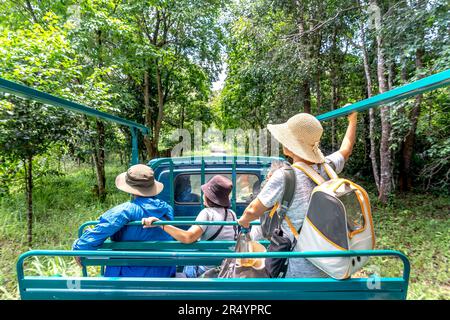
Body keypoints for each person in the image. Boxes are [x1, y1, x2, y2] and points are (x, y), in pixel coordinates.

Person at [237, 112, 358, 278]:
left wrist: (243, 220)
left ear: (293, 146)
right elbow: (346, 149)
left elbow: (253, 210)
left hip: (300, 266)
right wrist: (353, 119)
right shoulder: (327, 167)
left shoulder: (284, 176)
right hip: (332, 263)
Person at [72, 164, 176, 278]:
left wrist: (77, 245)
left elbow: (86, 245)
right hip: (164, 273)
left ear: (131, 189)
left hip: (128, 276)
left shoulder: (124, 211)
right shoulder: (167, 209)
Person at [142, 175, 238, 278]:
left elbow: (188, 238)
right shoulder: (232, 214)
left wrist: (161, 224)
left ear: (208, 196)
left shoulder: (207, 213)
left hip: (206, 271)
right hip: (226, 269)